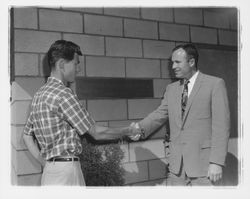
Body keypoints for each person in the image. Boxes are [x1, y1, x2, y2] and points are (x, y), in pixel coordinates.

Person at [23, 40, 137, 186]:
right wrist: (128, 131)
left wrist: (46, 163)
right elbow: (96, 132)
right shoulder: (63, 94)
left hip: (49, 175)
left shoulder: (38, 95)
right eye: (76, 63)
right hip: (67, 172)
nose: (79, 69)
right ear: (62, 64)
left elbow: (27, 136)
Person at [130, 43, 230, 186]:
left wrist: (217, 162)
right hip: (177, 169)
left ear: (191, 62)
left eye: (177, 62)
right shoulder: (171, 89)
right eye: (172, 62)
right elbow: (160, 114)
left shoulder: (215, 84)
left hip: (204, 167)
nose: (173, 67)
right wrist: (140, 128)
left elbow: (222, 127)